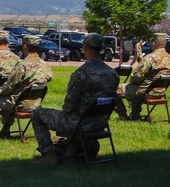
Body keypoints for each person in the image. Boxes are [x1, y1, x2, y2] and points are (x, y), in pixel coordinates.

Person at [30, 33, 119, 164]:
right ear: (100, 48)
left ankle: (49, 156)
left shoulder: (81, 74)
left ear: (85, 48)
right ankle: (77, 149)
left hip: (79, 123)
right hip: (100, 122)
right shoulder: (113, 74)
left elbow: (68, 107)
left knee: (37, 114)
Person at [0, 34, 53, 139]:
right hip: (36, 104)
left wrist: (0, 92)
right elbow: (48, 78)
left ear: (25, 46)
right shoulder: (45, 65)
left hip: (18, 104)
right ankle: (5, 131)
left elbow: (9, 87)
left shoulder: (22, 66)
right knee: (9, 97)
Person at [114, 33, 170, 120]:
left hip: (145, 91)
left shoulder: (149, 58)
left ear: (154, 43)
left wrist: (132, 79)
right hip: (160, 91)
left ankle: (123, 116)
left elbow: (138, 77)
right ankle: (136, 116)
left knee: (112, 90)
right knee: (135, 88)